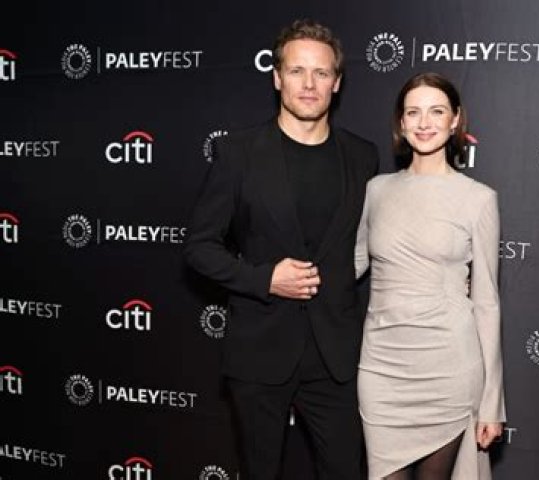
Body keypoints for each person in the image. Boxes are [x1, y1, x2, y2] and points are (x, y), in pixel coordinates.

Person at [184, 19, 378, 480]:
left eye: (321, 72)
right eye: (296, 71)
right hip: (260, 351)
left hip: (336, 355)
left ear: (337, 82)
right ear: (276, 78)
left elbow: (372, 243)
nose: (309, 84)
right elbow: (199, 246)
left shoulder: (362, 156)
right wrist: (264, 278)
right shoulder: (239, 152)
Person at [355, 72, 505, 479]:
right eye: (413, 112)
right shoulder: (376, 190)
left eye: (436, 111)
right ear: (401, 123)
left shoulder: (478, 199)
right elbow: (349, 265)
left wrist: (492, 402)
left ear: (455, 120)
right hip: (382, 367)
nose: (424, 123)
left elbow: (487, 303)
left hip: (447, 368)